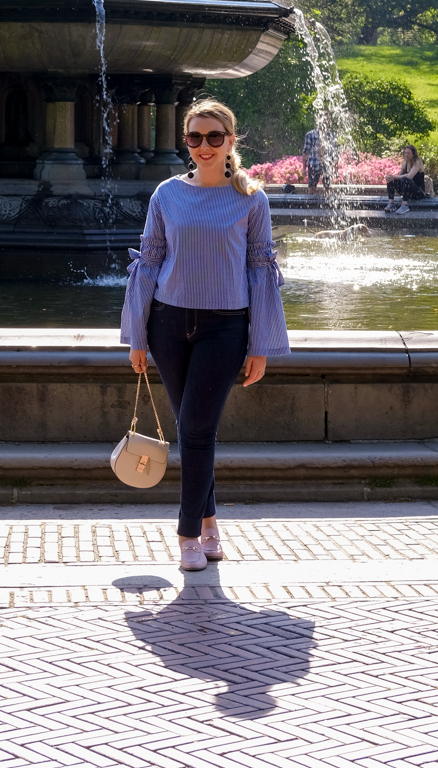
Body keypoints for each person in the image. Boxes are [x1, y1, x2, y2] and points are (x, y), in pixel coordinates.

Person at [121, 99, 291, 572]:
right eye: (195, 137)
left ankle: (187, 534)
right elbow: (150, 261)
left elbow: (261, 269)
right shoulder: (166, 194)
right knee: (195, 431)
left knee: (196, 429)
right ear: (186, 141)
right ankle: (211, 523)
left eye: (214, 137)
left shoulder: (251, 199)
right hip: (168, 324)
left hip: (226, 326)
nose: (204, 146)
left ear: (231, 141)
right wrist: (137, 334)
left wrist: (261, 344)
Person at [385, 144, 426, 215]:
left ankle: (405, 205)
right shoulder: (405, 163)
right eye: (405, 153)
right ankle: (391, 203)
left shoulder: (417, 162)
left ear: (413, 154)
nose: (406, 155)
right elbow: (399, 177)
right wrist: (391, 178)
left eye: (409, 153)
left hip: (418, 193)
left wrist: (394, 177)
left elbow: (410, 176)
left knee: (405, 179)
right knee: (391, 179)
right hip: (408, 192)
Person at [301, 126, 336, 191]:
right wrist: (304, 168)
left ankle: (327, 201)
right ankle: (311, 200)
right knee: (312, 188)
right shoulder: (310, 134)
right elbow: (305, 152)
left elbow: (335, 152)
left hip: (326, 165)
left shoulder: (331, 135)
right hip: (313, 164)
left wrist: (335, 168)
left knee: (328, 188)